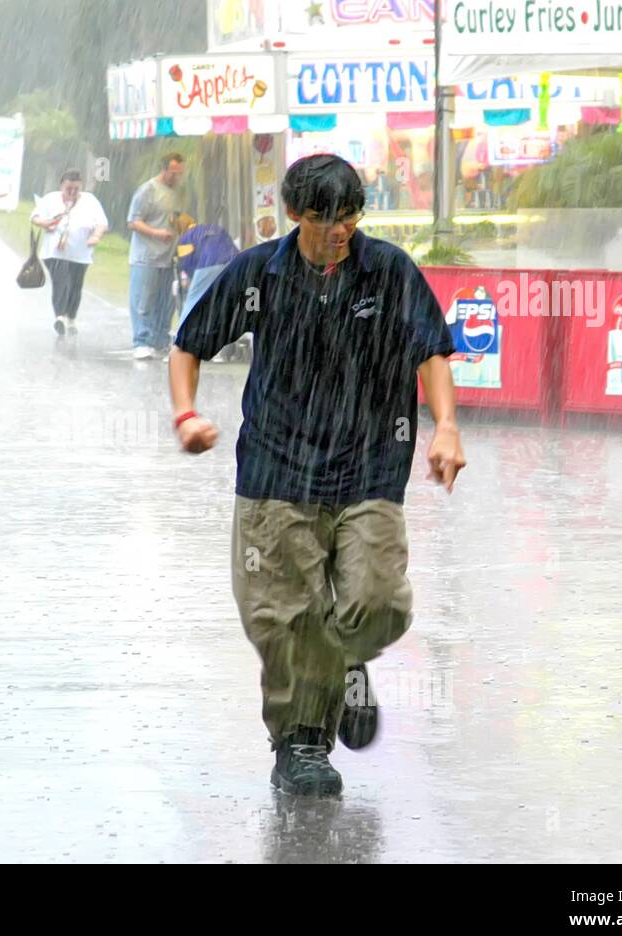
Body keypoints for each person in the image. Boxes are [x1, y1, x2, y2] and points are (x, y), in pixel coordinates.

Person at [168, 154, 467, 798]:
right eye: (328, 219)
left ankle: (350, 660)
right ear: (295, 215)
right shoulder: (258, 272)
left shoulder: (387, 271)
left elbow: (433, 350)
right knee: (283, 618)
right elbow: (189, 344)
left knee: (378, 601)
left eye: (352, 217)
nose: (342, 231)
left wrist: (446, 426)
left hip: (369, 466)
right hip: (277, 467)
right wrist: (187, 414)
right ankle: (302, 743)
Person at [29, 169, 108, 336]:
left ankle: (71, 317)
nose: (72, 192)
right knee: (61, 281)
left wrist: (95, 236)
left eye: (76, 189)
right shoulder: (50, 199)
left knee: (75, 285)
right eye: (68, 189)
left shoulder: (90, 201)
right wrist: (45, 223)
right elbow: (35, 217)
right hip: (55, 251)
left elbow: (102, 223)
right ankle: (59, 317)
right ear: (61, 186)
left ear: (81, 187)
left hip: (81, 253)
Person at [126, 153, 185, 360]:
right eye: (174, 172)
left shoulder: (175, 193)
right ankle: (141, 341)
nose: (177, 176)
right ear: (165, 170)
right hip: (146, 256)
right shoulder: (147, 190)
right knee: (143, 299)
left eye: (180, 173)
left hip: (167, 257)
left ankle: (160, 340)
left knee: (165, 301)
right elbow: (133, 222)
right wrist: (157, 233)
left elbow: (175, 218)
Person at [174, 210, 242, 361]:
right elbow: (231, 247)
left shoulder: (185, 237)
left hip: (208, 265)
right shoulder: (215, 228)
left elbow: (187, 262)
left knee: (192, 303)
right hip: (233, 264)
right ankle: (224, 349)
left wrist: (193, 281)